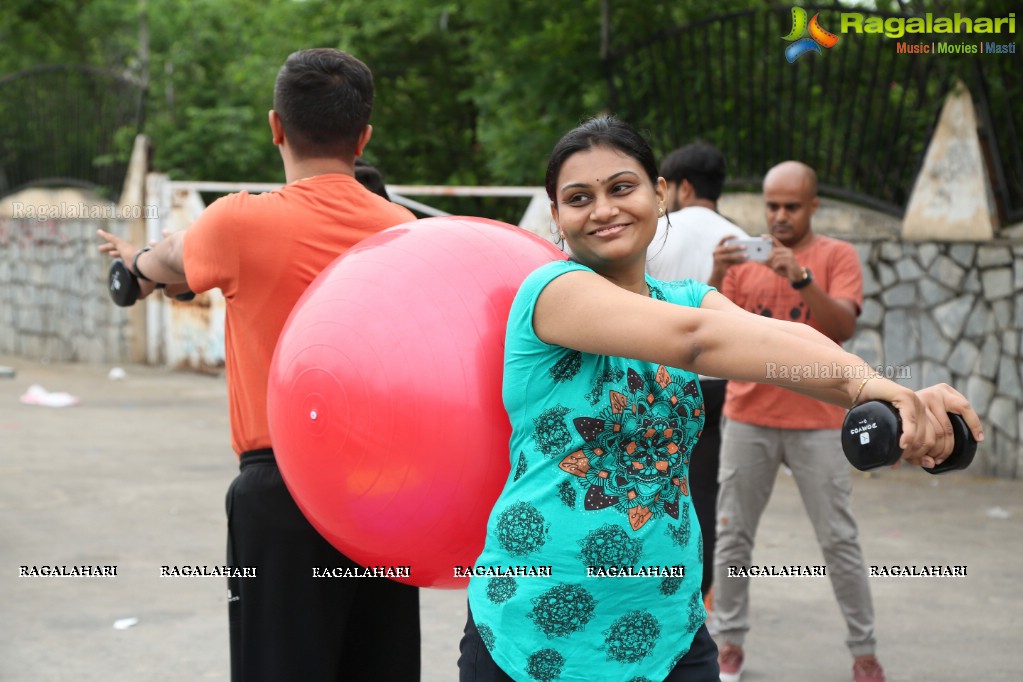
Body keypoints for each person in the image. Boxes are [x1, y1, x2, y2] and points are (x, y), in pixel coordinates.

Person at [457, 115, 981, 682]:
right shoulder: (552, 292)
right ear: (557, 217)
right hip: (536, 630)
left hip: (667, 630)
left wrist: (893, 393)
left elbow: (783, 342)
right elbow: (698, 343)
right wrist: (866, 384)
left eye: (622, 187)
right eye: (579, 198)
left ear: (661, 196)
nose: (604, 209)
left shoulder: (686, 296)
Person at [98, 48, 421, 682]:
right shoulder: (404, 229)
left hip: (284, 490)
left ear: (276, 127)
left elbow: (164, 263)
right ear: (364, 137)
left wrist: (134, 268)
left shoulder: (240, 222)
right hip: (384, 491)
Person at [711, 161, 884, 682]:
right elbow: (708, 330)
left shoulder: (835, 256)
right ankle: (729, 645)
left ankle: (865, 652)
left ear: (813, 206)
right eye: (771, 206)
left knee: (838, 540)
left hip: (819, 421)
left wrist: (801, 278)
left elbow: (843, 327)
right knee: (733, 537)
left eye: (791, 206)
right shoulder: (742, 261)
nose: (780, 217)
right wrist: (717, 275)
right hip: (748, 418)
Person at [646, 142, 751, 605]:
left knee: (654, 481)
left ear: (682, 186)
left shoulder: (656, 230)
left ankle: (652, 579)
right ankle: (702, 592)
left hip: (659, 376)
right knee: (705, 488)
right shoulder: (741, 238)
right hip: (720, 381)